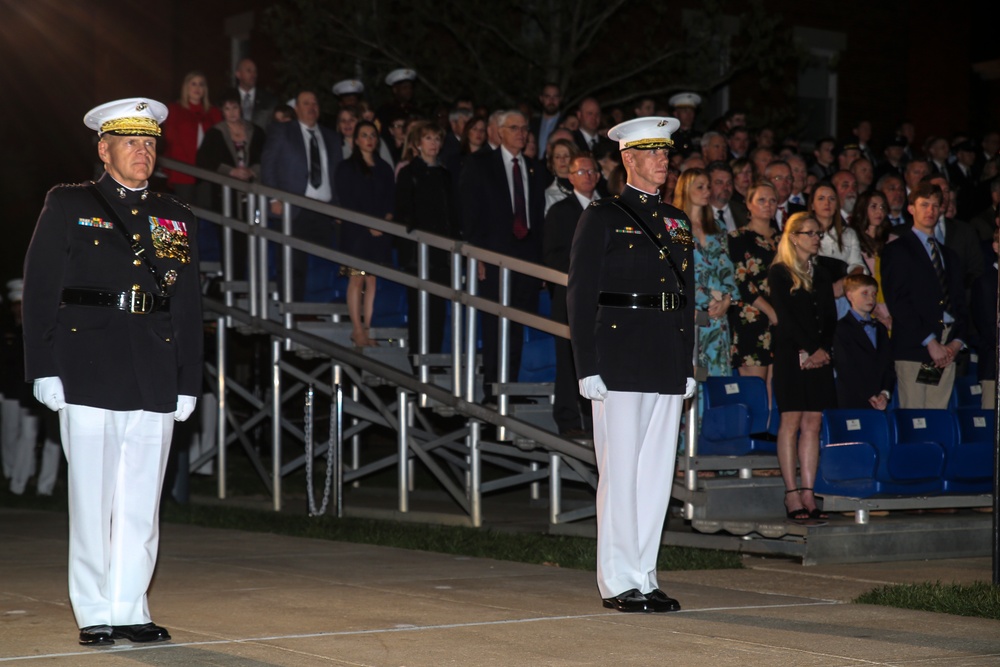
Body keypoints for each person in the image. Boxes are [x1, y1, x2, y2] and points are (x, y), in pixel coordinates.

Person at [22, 98, 202, 646]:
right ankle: (95, 609)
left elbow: (188, 303)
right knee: (93, 499)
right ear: (104, 149)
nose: (143, 152)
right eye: (131, 142)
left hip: (152, 367)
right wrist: (43, 367)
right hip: (87, 365)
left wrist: (188, 378)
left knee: (141, 503)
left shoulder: (174, 216)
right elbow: (39, 289)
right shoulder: (69, 203)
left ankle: (130, 606)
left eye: (150, 143)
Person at [567, 116, 694, 613]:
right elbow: (580, 294)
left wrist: (685, 364)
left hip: (664, 353)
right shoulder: (601, 216)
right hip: (618, 354)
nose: (664, 159)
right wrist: (586, 364)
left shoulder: (678, 222)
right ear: (628, 159)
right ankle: (618, 580)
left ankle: (645, 573)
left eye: (666, 152)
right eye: (652, 152)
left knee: (656, 475)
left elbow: (686, 297)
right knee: (620, 472)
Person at [460, 110, 547, 403]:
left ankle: (511, 387)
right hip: (495, 257)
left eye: (524, 128)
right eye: (514, 128)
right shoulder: (480, 164)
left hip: (526, 260)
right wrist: (478, 256)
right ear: (498, 132)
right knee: (496, 323)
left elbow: (537, 219)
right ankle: (493, 388)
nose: (521, 133)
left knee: (518, 322)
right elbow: (469, 214)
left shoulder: (535, 168)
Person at [768, 212, 837, 520]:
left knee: (813, 424)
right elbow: (784, 317)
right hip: (791, 356)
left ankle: (809, 493)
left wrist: (823, 350)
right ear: (794, 237)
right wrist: (808, 349)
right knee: (791, 422)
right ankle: (791, 494)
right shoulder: (780, 273)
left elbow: (831, 318)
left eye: (818, 234)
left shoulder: (822, 274)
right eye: (809, 233)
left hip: (818, 357)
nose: (816, 238)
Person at [882, 182, 967, 409]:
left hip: (946, 344)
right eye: (924, 205)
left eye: (935, 206)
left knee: (936, 413)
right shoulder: (897, 250)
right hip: (916, 345)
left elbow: (959, 302)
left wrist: (956, 342)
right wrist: (930, 341)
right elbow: (898, 301)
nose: (930, 211)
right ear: (911, 208)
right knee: (916, 416)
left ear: (941, 210)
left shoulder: (949, 255)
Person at [260, 90, 343, 301]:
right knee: (291, 262)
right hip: (293, 208)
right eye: (306, 103)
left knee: (325, 263)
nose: (312, 107)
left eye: (315, 103)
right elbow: (268, 165)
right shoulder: (282, 131)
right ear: (296, 109)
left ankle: (319, 308)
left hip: (324, 210)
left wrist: (338, 207)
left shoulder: (331, 137)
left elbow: (335, 173)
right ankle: (292, 308)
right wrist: (274, 198)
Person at [543, 154, 601, 436]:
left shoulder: (610, 209)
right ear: (570, 176)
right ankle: (567, 420)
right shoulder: (560, 211)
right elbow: (552, 255)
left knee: (598, 360)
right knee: (568, 359)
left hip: (604, 299)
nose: (588, 175)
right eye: (582, 171)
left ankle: (595, 421)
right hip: (570, 297)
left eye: (592, 171)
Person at [394, 121, 459, 354]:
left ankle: (433, 355)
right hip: (417, 252)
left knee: (438, 307)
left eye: (437, 138)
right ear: (417, 144)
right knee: (419, 306)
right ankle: (418, 356)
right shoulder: (409, 172)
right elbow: (403, 211)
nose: (434, 143)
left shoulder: (444, 174)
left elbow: (452, 212)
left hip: (441, 253)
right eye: (428, 138)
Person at [334, 120, 395, 348]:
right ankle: (357, 330)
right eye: (364, 135)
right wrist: (368, 223)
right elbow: (347, 200)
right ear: (356, 140)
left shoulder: (385, 168)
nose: (369, 139)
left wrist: (386, 220)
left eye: (372, 135)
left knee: (373, 281)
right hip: (356, 231)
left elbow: (391, 200)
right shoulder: (346, 167)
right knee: (357, 278)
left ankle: (369, 330)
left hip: (380, 233)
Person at [673, 168, 737, 377]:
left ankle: (712, 411)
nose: (706, 191)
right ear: (685, 189)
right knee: (694, 374)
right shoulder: (675, 226)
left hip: (717, 314)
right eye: (700, 187)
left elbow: (727, 267)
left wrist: (727, 300)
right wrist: (687, 307)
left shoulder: (717, 227)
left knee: (717, 375)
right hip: (690, 313)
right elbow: (674, 271)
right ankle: (693, 410)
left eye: (708, 186)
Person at [727, 181, 779, 391]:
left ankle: (769, 425)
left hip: (781, 319)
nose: (768, 205)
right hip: (751, 317)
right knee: (755, 389)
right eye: (761, 200)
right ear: (748, 204)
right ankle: (756, 425)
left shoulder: (783, 238)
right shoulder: (737, 238)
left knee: (774, 388)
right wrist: (771, 312)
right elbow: (741, 282)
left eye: (773, 200)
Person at [833, 274, 895, 410]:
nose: (871, 298)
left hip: (880, 398)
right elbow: (845, 367)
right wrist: (868, 394)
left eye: (874, 294)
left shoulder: (880, 328)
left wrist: (884, 393)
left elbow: (888, 364)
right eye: (865, 293)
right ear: (850, 296)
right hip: (853, 398)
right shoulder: (841, 329)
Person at [161, 71, 222, 205]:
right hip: (183, 169)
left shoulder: (213, 113)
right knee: (185, 211)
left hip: (206, 170)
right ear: (186, 88)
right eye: (193, 84)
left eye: (201, 84)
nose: (197, 88)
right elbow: (170, 138)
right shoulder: (175, 110)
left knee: (206, 211)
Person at [234, 58, 277, 129]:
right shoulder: (229, 98)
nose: (253, 75)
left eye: (255, 71)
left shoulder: (268, 100)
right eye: (249, 71)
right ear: (238, 74)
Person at [543, 138, 580, 213]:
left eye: (566, 156)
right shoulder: (549, 195)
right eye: (557, 157)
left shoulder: (586, 185)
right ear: (552, 162)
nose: (562, 160)